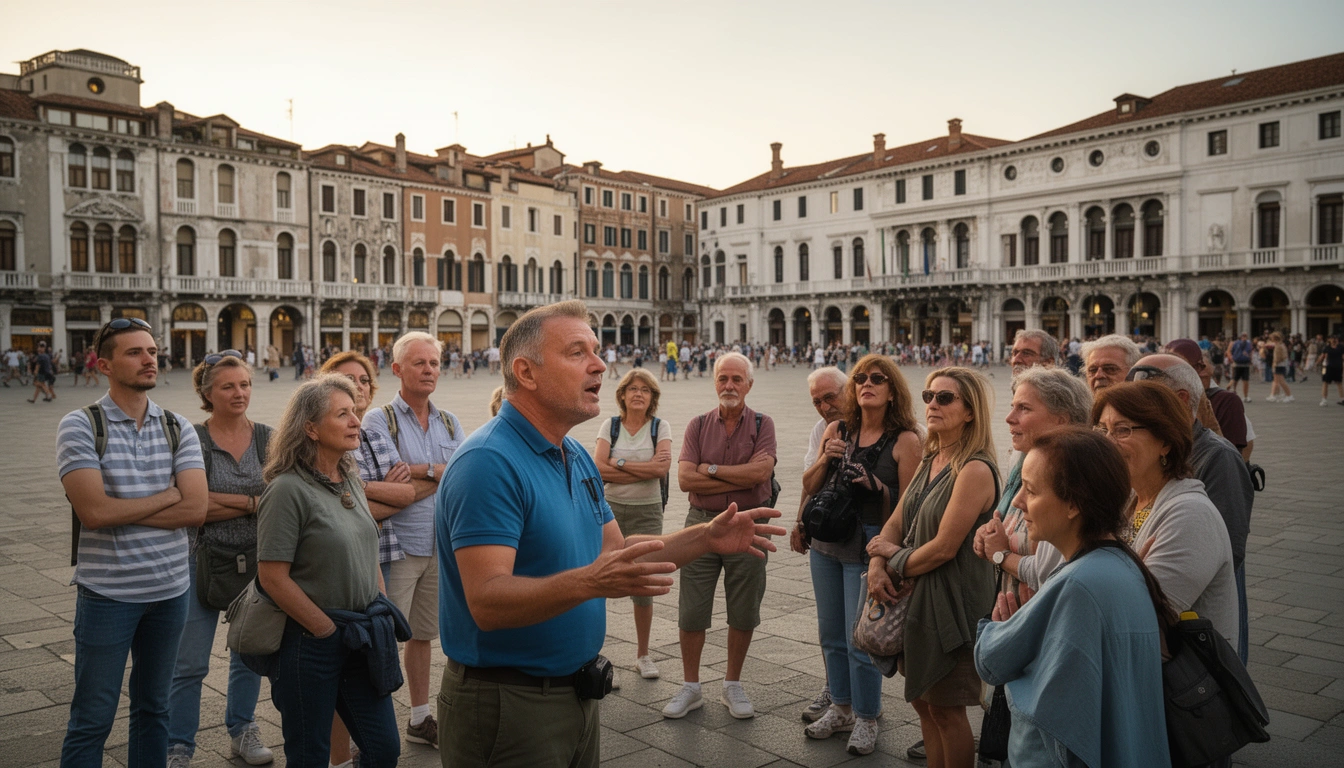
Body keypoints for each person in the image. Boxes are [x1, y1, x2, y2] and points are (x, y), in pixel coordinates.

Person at [435, 300, 784, 768]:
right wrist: (590, 582)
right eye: (577, 352)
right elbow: (487, 601)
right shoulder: (488, 462)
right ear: (526, 372)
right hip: (508, 704)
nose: (600, 364)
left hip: (576, 694)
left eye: (597, 351)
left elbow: (618, 552)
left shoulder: (575, 455)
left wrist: (705, 538)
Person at [57, 318, 208, 767]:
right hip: (108, 594)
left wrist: (124, 506)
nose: (149, 360)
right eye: (135, 352)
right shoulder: (81, 425)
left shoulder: (177, 426)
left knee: (154, 709)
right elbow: (94, 514)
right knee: (92, 717)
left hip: (170, 590)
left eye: (152, 351)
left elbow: (196, 510)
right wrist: (167, 495)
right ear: (103, 365)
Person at [974, 427, 1172, 768]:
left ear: (1073, 504)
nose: (1018, 502)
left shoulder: (1078, 584)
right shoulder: (1123, 565)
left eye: (1031, 490)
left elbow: (992, 660)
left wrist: (1006, 631)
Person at [257, 375, 405, 768]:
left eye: (355, 411)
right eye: (343, 414)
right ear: (310, 428)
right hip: (310, 643)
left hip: (362, 636)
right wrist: (324, 630)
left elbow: (367, 548)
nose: (356, 420)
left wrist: (380, 604)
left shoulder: (350, 479)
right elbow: (272, 577)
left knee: (384, 749)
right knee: (309, 756)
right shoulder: (287, 489)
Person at [866, 367, 1000, 768]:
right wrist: (877, 563)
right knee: (924, 704)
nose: (932, 405)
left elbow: (943, 548)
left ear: (970, 411)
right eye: (928, 396)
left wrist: (891, 558)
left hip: (952, 605)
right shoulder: (932, 458)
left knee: (946, 710)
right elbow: (897, 520)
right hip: (918, 600)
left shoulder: (974, 468)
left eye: (945, 398)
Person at [798, 355, 921, 755]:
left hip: (867, 547)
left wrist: (877, 487)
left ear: (892, 391)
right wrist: (826, 458)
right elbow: (810, 484)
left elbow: (909, 508)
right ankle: (841, 707)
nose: (867, 383)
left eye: (877, 379)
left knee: (860, 638)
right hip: (826, 544)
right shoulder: (837, 429)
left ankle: (867, 716)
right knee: (831, 633)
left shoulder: (906, 440)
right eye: (861, 378)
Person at [166, 352, 273, 768]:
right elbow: (190, 506)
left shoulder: (268, 438)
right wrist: (250, 503)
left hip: (259, 560)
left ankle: (242, 728)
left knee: (248, 653)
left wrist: (215, 501)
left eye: (244, 384)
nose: (239, 393)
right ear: (207, 393)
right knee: (189, 662)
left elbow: (278, 500)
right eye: (228, 386)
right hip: (200, 559)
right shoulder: (191, 438)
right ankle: (178, 746)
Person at [360, 332, 464, 750]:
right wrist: (439, 471)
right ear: (397, 369)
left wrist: (421, 470)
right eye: (419, 363)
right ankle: (371, 728)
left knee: (422, 636)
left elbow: (459, 473)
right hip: (397, 547)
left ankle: (419, 718)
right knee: (382, 640)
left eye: (434, 363)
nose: (429, 370)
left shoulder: (449, 421)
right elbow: (390, 488)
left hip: (439, 545)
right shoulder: (378, 420)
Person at [665, 352, 779, 721]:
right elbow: (686, 480)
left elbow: (760, 474)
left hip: (747, 525)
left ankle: (732, 683)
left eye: (736, 379)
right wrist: (740, 476)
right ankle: (691, 686)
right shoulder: (698, 424)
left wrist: (710, 469)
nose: (729, 385)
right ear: (715, 382)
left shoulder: (763, 424)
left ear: (749, 384)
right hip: (701, 522)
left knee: (744, 607)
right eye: (723, 379)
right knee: (692, 607)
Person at [322, 351, 415, 768]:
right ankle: (339, 756)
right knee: (341, 663)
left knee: (374, 655)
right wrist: (377, 491)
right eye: (347, 379)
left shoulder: (374, 433)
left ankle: (365, 740)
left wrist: (355, 490)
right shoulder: (322, 440)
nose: (357, 387)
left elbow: (406, 493)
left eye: (363, 380)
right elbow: (328, 507)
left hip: (383, 554)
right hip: (340, 562)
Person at [1128, 354, 1254, 661]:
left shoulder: (1217, 457)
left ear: (1181, 399)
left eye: (1144, 398)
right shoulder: (1141, 460)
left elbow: (1227, 546)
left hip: (1191, 639)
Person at [1093, 382, 1239, 645]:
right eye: (1102, 430)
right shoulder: (1128, 498)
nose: (1106, 442)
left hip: (1170, 669)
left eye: (1122, 430)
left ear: (1166, 442)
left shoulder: (1190, 515)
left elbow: (1134, 619)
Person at [973, 366, 1093, 600]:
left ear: (1061, 420)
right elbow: (1006, 523)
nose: (1009, 418)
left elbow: (1051, 571)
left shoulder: (1073, 476)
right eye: (1012, 407)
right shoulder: (1023, 462)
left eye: (1024, 408)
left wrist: (1001, 555)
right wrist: (987, 534)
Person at [595, 368, 673, 680]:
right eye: (633, 389)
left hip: (647, 511)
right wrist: (643, 468)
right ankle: (595, 655)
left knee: (643, 583)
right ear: (623, 395)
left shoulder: (660, 427)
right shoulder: (610, 426)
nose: (638, 394)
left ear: (652, 397)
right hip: (610, 511)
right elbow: (598, 469)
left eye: (645, 389)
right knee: (600, 579)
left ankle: (643, 654)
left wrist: (619, 464)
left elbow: (661, 470)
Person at [791, 366, 848, 723]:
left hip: (864, 538)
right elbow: (810, 479)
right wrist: (800, 521)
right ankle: (834, 689)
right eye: (817, 401)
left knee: (860, 630)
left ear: (849, 390)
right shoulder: (821, 429)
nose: (825, 407)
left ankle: (864, 703)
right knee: (830, 625)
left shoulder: (887, 425)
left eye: (830, 397)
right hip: (828, 533)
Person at [1268, 331, 1294, 402]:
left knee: (1281, 381)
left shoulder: (1278, 346)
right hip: (1281, 364)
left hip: (1279, 365)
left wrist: (1275, 362)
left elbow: (1279, 357)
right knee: (1277, 381)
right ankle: (1276, 394)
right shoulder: (1281, 345)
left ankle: (1289, 395)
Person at [1228, 332, 1254, 402]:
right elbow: (1250, 352)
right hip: (1243, 364)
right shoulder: (1248, 343)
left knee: (1237, 379)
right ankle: (1243, 395)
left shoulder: (1235, 343)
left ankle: (1236, 392)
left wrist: (1232, 359)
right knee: (1241, 380)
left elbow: (1231, 352)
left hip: (1239, 364)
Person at [1321, 335, 1344, 406]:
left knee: (1327, 383)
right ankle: (1342, 399)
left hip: (1333, 367)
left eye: (1335, 339)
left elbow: (1322, 356)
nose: (1334, 340)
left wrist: (1317, 363)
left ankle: (1324, 400)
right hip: (1333, 367)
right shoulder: (1338, 347)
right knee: (1337, 383)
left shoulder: (1329, 347)